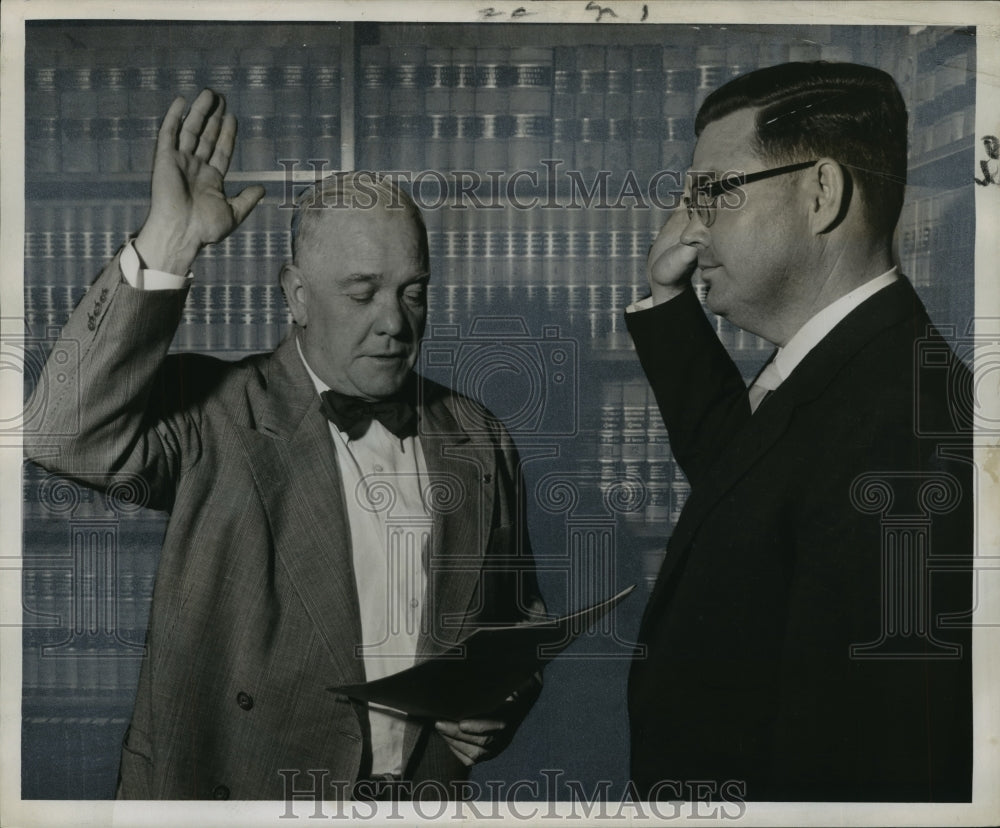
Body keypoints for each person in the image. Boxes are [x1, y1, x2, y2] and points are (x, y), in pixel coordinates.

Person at [24, 89, 544, 800]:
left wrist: (501, 704)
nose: (395, 322)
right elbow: (61, 434)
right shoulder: (217, 416)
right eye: (362, 293)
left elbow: (517, 622)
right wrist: (169, 241)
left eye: (413, 292)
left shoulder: (479, 436)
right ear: (296, 295)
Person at [625, 62, 972, 802]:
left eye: (714, 192)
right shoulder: (855, 368)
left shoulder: (900, 428)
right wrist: (666, 301)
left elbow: (859, 765)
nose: (689, 225)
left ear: (822, 193)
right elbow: (748, 479)